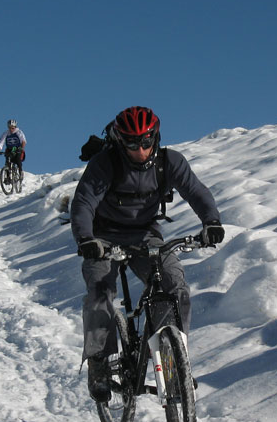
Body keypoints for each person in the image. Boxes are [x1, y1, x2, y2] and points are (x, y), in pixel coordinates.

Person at [70, 106, 225, 402]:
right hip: (103, 236)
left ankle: (171, 363)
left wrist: (211, 221)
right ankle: (99, 364)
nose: (139, 150)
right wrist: (86, 238)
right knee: (100, 294)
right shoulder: (105, 164)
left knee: (174, 286)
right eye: (131, 143)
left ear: (155, 137)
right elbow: (83, 203)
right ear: (119, 141)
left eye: (145, 142)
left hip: (145, 233)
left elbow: (197, 191)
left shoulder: (169, 162)